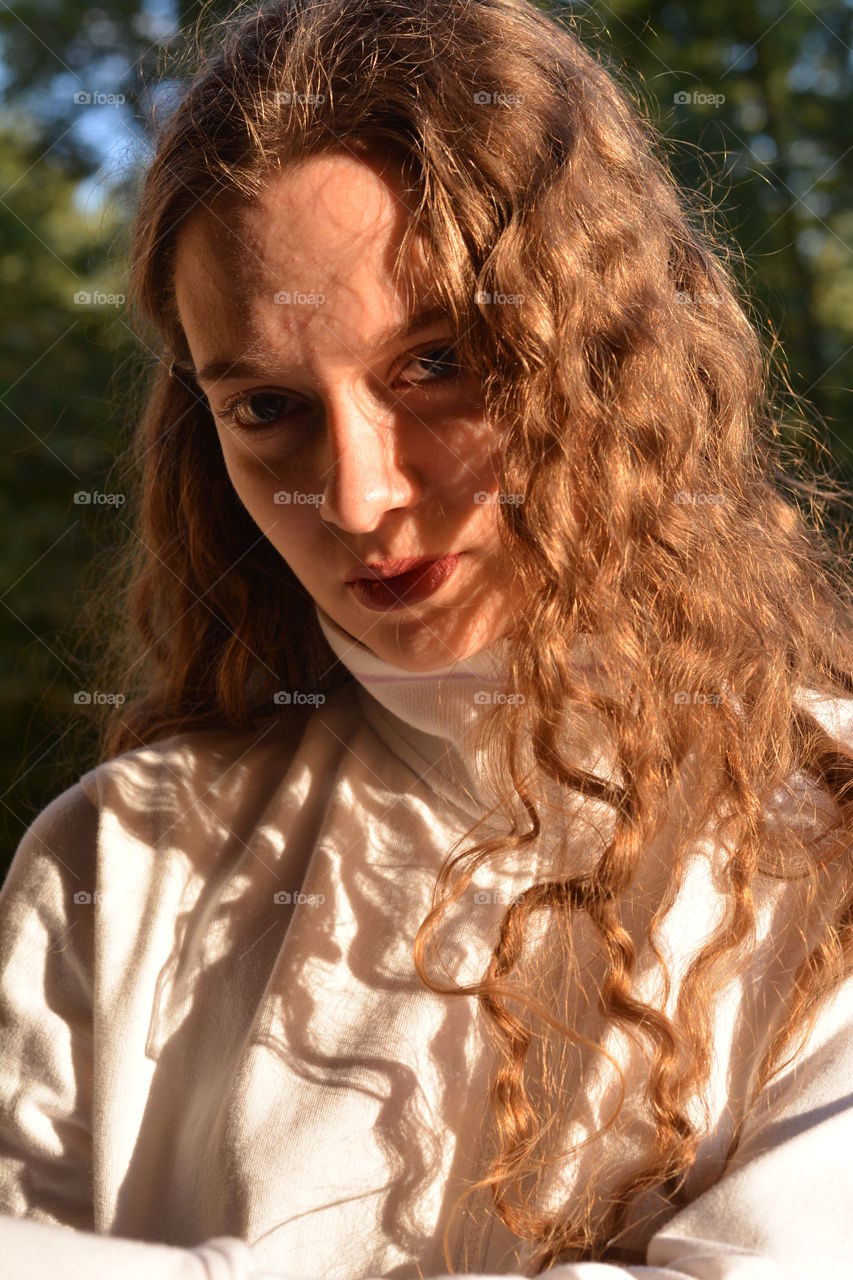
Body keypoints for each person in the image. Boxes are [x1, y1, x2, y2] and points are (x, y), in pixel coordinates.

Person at [2, 1, 853, 1277]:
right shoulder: (116, 860)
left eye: (439, 360)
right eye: (270, 407)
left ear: (603, 357)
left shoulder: (832, 845)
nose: (355, 497)